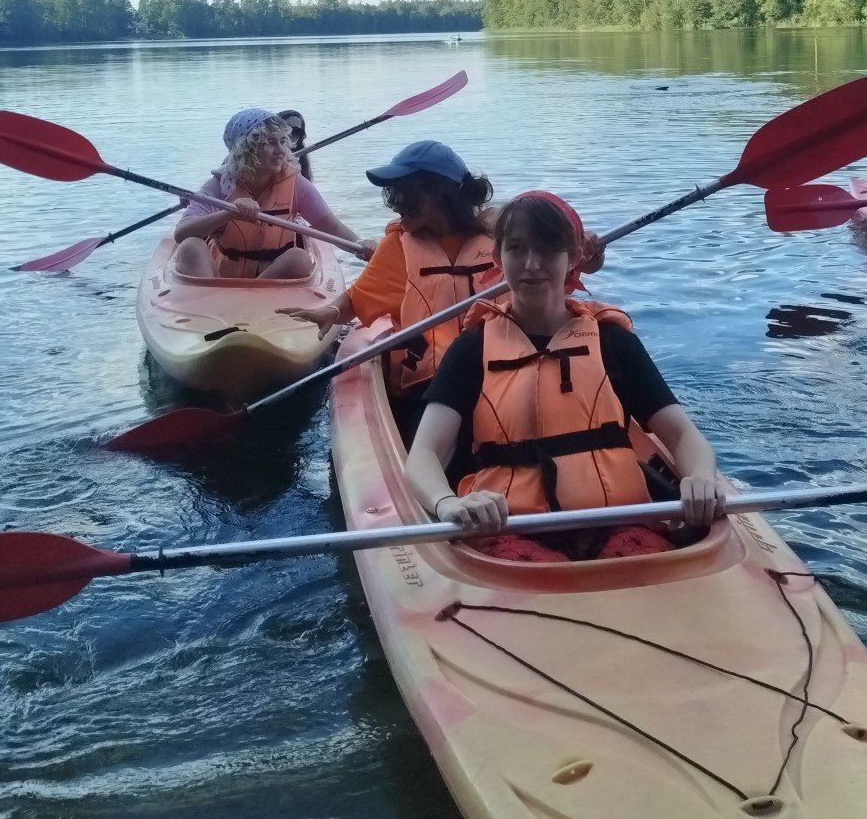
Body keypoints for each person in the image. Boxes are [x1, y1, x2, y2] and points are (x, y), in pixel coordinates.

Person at [403, 192, 725, 562]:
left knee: (641, 567)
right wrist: (446, 503)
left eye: (547, 249)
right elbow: (424, 454)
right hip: (511, 529)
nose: (531, 264)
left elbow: (682, 435)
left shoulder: (611, 341)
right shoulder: (472, 348)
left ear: (571, 258)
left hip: (617, 522)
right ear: (498, 258)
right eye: (517, 248)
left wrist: (701, 476)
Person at [280, 139, 502, 437]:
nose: (394, 202)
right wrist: (331, 312)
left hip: (495, 376)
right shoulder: (398, 246)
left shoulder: (497, 241)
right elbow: (359, 299)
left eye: (402, 191)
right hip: (426, 387)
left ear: (436, 190)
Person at [172, 109, 364, 281]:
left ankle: (247, 298)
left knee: (299, 259)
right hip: (223, 279)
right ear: (247, 149)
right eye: (271, 143)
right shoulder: (220, 185)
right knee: (191, 246)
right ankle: (221, 301)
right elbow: (181, 233)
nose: (281, 151)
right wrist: (229, 213)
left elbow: (332, 226)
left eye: (283, 142)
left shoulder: (295, 183)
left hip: (271, 279)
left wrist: (361, 245)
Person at [278, 108, 313, 179]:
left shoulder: (300, 168)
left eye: (296, 131)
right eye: (285, 129)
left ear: (300, 138)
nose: (289, 135)